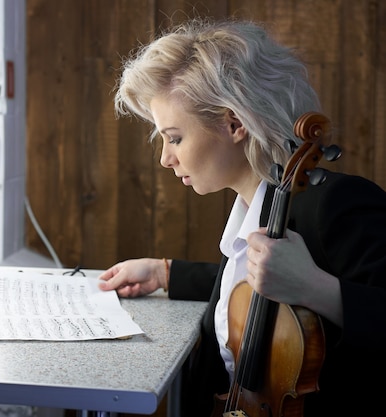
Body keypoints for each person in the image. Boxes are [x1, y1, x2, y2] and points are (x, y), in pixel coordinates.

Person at [98, 18, 386, 416]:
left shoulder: (339, 204)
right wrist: (166, 273)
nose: (166, 158)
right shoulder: (257, 207)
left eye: (175, 137)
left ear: (234, 124)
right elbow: (249, 288)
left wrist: (315, 288)